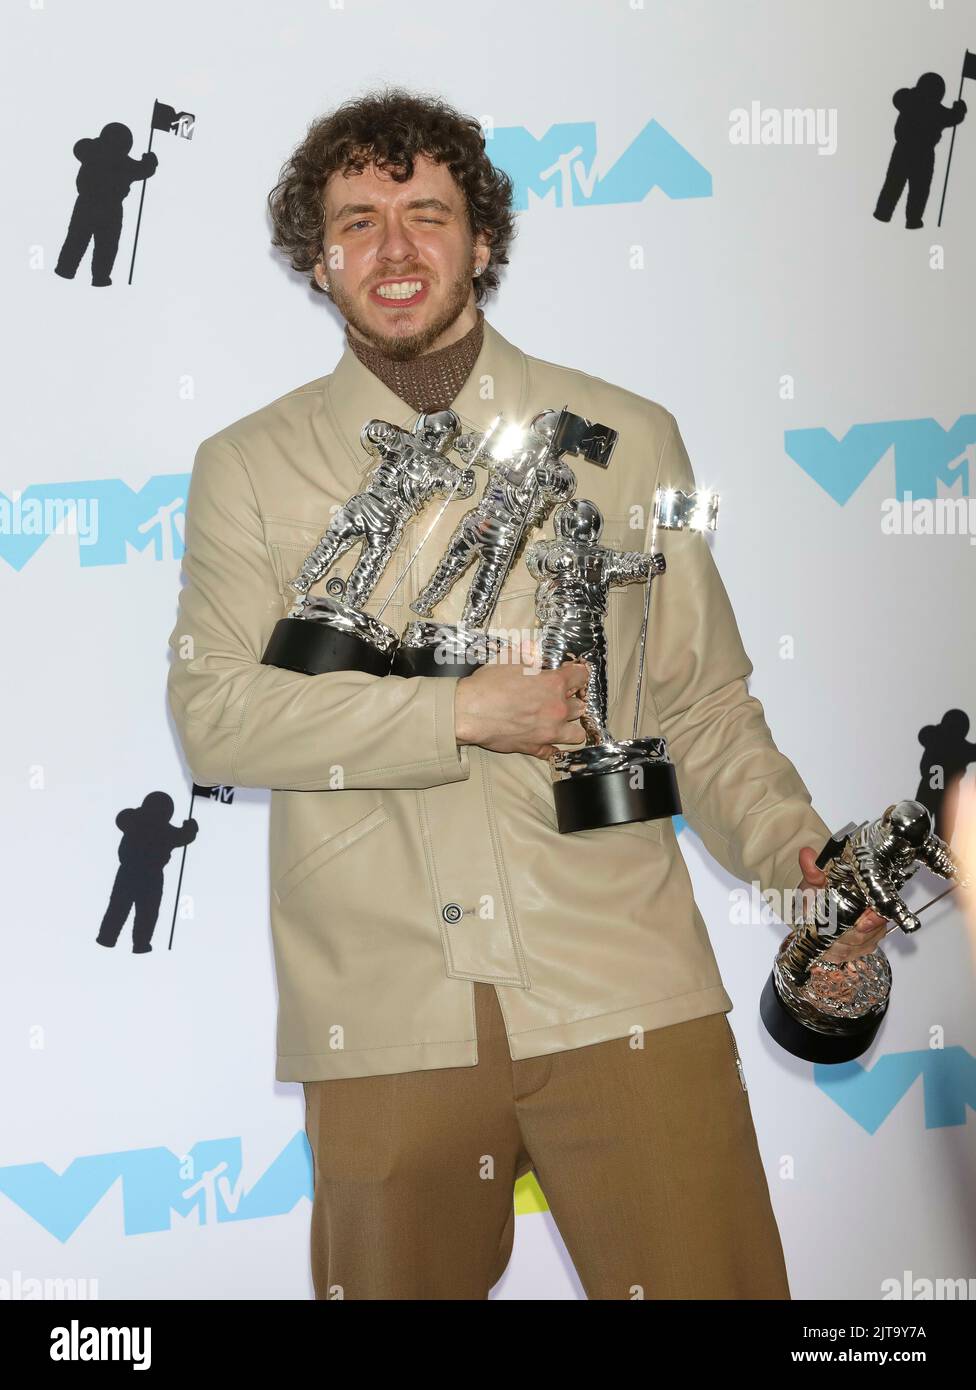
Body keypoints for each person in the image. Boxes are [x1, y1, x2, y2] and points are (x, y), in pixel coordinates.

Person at [166, 87, 885, 1300]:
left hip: (625, 987)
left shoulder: (630, 437)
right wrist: (454, 713)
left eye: (425, 214)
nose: (393, 251)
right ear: (317, 259)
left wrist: (797, 863)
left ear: (482, 240)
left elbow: (701, 705)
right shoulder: (244, 465)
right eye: (356, 223)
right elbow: (215, 717)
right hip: (384, 1010)